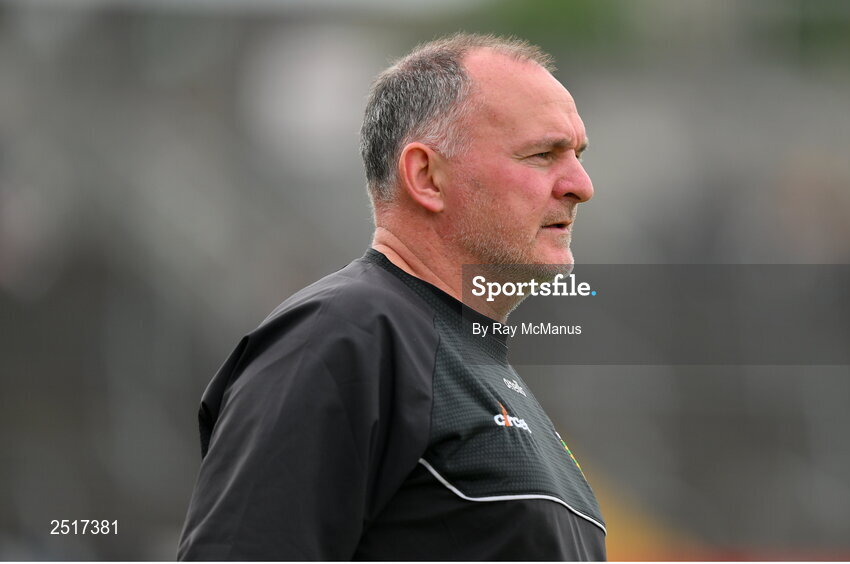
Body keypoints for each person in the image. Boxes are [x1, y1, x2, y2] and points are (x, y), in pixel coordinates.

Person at [177, 33, 604, 561]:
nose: (581, 185)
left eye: (577, 155)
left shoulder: (477, 365)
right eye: (543, 154)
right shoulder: (345, 334)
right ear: (426, 177)